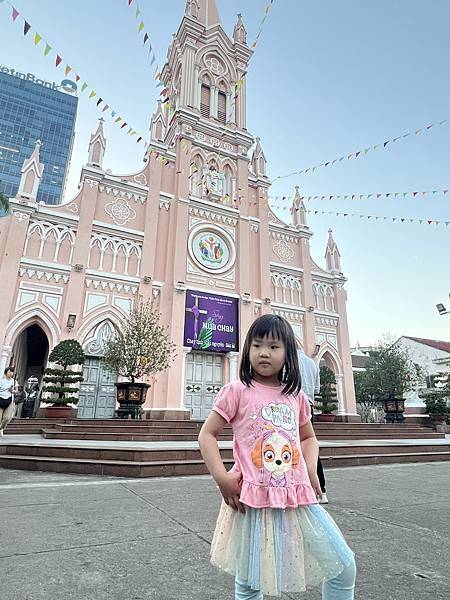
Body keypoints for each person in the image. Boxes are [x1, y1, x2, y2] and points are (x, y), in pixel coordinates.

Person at [199, 314, 356, 599]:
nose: (264, 353)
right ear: (247, 349)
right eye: (257, 345)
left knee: (343, 565)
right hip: (252, 500)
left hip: (297, 496)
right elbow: (206, 435)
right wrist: (222, 478)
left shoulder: (295, 396)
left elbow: (309, 438)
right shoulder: (236, 391)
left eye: (273, 347)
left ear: (288, 354)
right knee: (249, 583)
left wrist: (309, 471)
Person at [298, 349, 328, 504]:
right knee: (309, 446)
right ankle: (321, 490)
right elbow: (317, 389)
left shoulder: (288, 360)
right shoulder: (312, 363)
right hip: (309, 405)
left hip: (291, 405)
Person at [0, 367, 17, 436]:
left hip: (9, 400)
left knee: (7, 418)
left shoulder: (14, 381)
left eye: (12, 372)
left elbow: (16, 391)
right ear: (6, 373)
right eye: (9, 371)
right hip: (0, 399)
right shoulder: (1, 381)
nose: (11, 373)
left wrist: (12, 391)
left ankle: (1, 428)